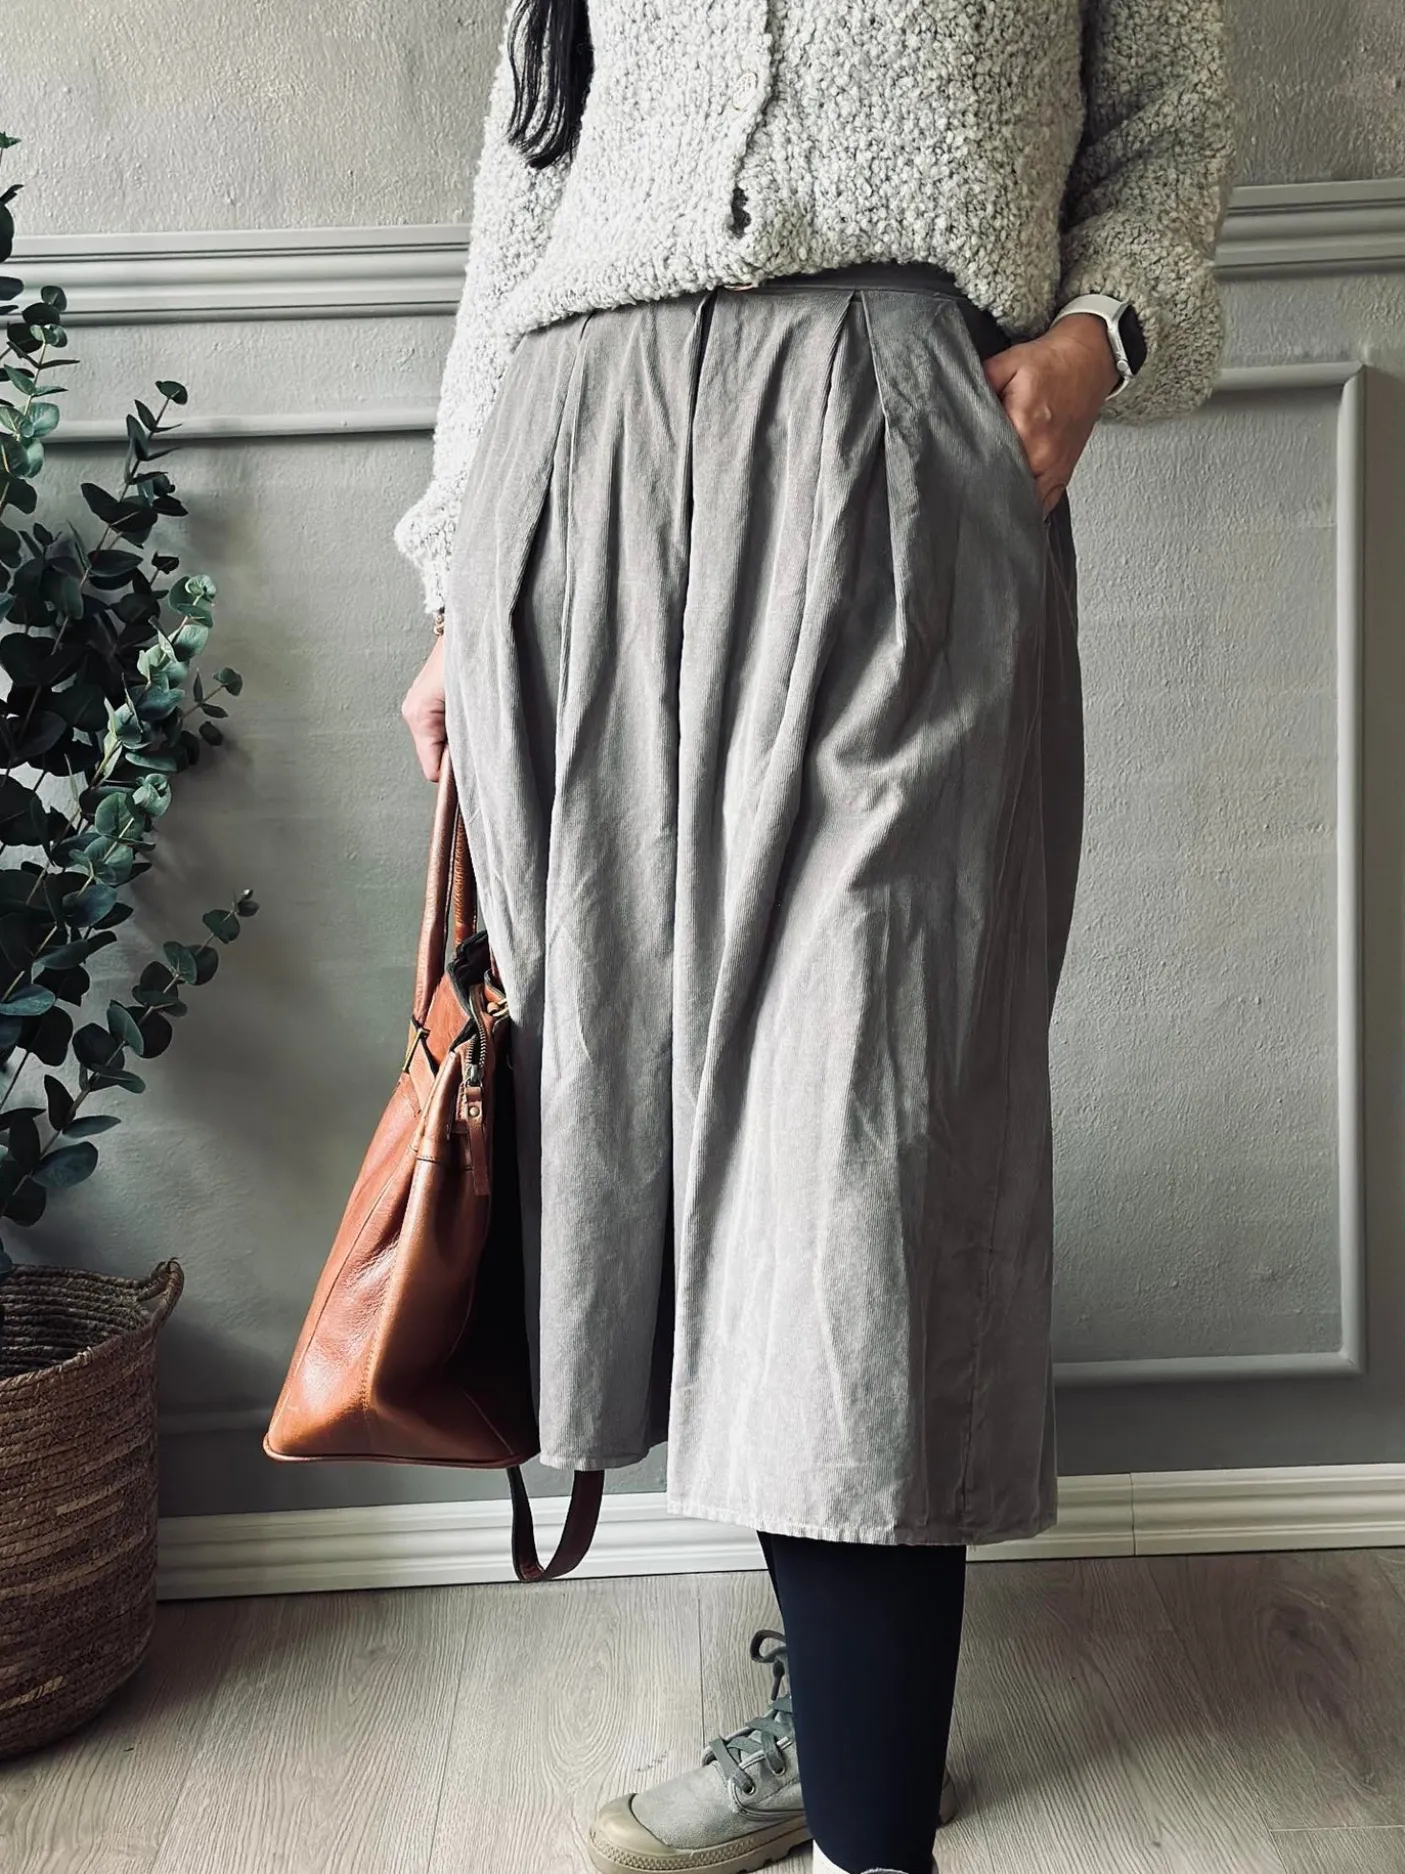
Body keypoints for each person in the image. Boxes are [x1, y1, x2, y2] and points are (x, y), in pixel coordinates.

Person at [394, 3, 1233, 1870]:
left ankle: (869, 1826)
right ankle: (852, 1732)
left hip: (899, 447)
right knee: (651, 1135)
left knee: (864, 1148)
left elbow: (1168, 109)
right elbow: (525, 190)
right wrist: (459, 577)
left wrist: (1094, 343)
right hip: (592, 472)